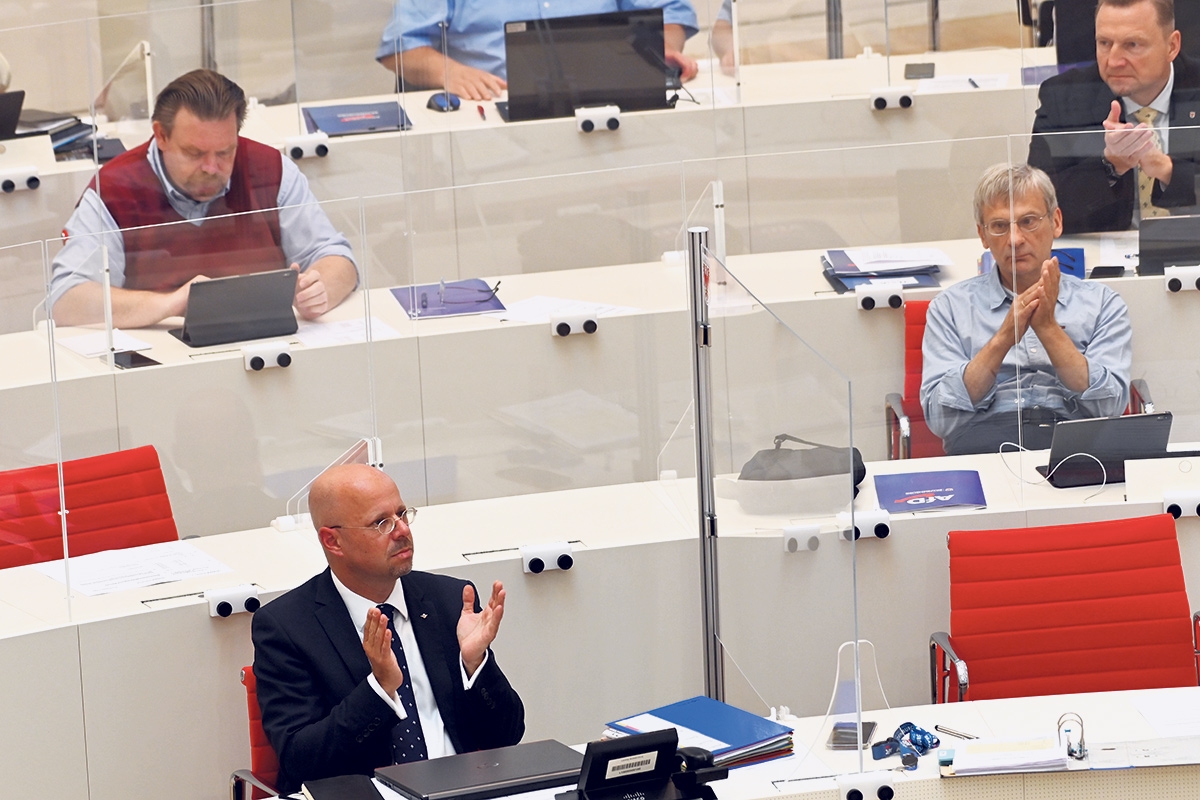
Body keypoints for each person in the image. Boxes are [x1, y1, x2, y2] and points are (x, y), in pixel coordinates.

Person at [251, 463, 524, 794]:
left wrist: (475, 665)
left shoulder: (449, 600)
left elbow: (507, 735)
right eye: (381, 523)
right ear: (333, 541)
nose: (402, 531)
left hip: (459, 789)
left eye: (402, 514)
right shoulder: (287, 626)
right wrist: (379, 690)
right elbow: (301, 761)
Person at [48, 69, 358, 329]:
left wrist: (319, 290)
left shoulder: (270, 169)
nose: (212, 167)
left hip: (265, 344)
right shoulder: (114, 190)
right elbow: (67, 300)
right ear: (161, 136)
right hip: (159, 358)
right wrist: (174, 303)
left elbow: (334, 255)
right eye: (194, 153)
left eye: (225, 152)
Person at [920, 164, 1133, 456]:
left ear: (1056, 222)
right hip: (983, 448)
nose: (1015, 239)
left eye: (1028, 221)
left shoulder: (1102, 303)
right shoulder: (950, 307)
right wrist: (1004, 336)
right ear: (982, 236)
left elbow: (1109, 406)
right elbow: (939, 417)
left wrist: (1047, 328)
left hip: (1077, 446)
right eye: (998, 226)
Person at [1028, 0, 1200, 233]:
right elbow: (1036, 209)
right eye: (1105, 43)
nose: (1113, 61)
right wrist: (1111, 165)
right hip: (1103, 255)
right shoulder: (1063, 98)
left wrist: (1166, 169)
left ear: (1172, 46)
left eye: (1132, 44)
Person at [377, 0, 699, 101]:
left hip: (604, 99)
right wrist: (450, 72)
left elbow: (669, 13)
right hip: (494, 107)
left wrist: (661, 48)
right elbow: (402, 45)